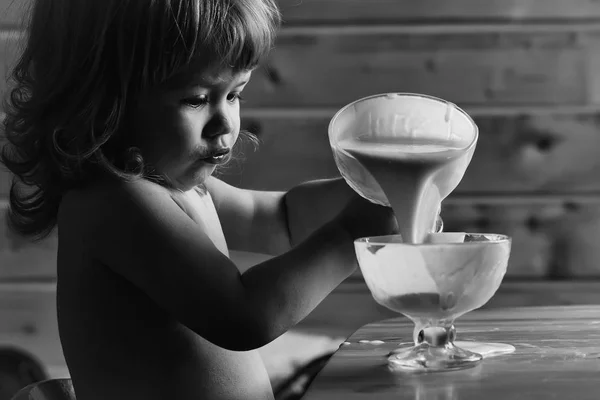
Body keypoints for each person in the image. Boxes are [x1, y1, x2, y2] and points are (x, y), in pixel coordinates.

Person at [0, 0, 398, 399]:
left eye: (235, 94)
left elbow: (283, 218)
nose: (225, 121)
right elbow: (243, 316)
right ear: (103, 100)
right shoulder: (116, 203)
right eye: (196, 99)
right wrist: (351, 232)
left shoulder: (177, 188)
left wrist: (368, 189)